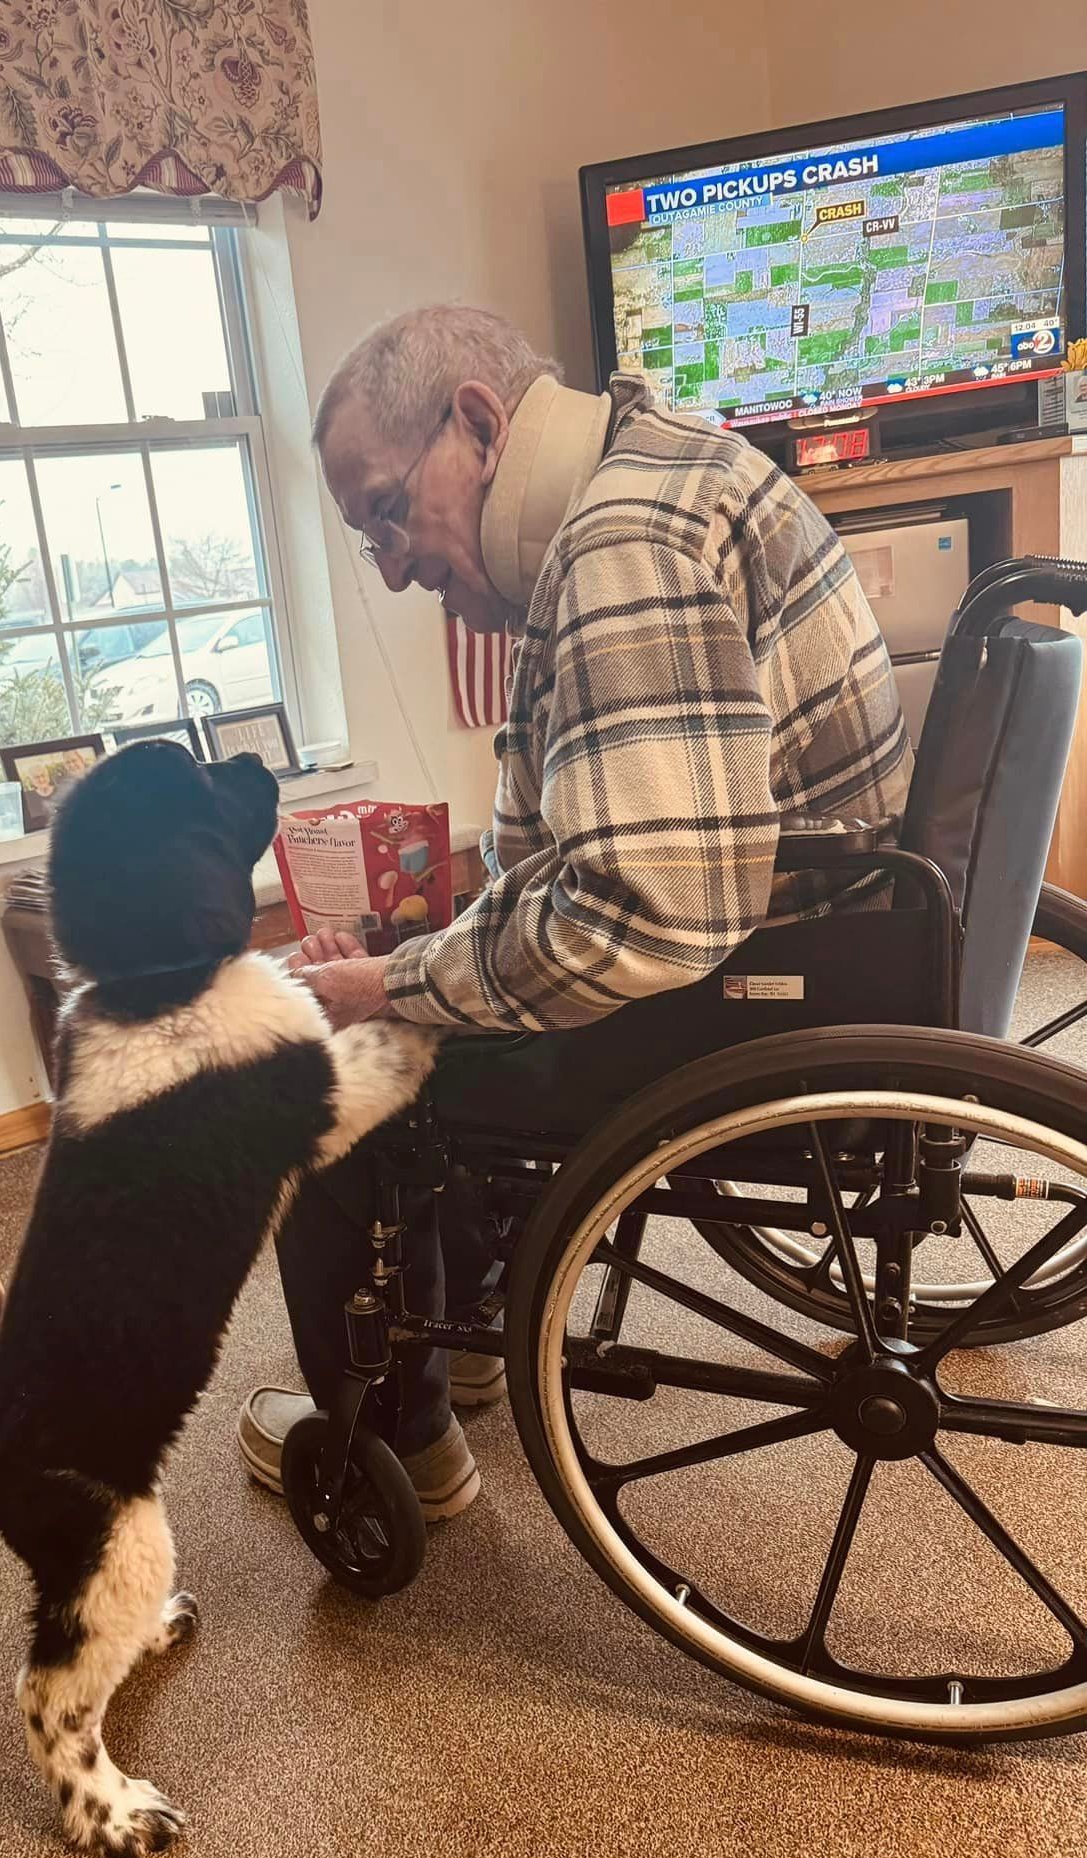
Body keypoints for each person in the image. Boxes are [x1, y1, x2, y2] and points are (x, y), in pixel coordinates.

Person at [237, 305, 911, 1520]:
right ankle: (480, 1326)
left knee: (325, 1071)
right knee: (413, 990)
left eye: (388, 508)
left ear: (480, 425)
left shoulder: (618, 550)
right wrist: (427, 952)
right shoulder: (666, 461)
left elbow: (632, 918)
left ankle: (401, 1431)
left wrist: (387, 988)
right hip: (829, 936)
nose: (391, 564)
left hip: (732, 999)